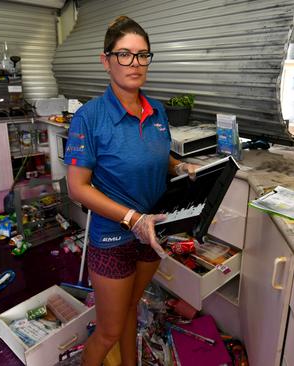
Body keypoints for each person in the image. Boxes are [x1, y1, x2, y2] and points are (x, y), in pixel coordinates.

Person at [64, 15, 198, 366]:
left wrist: (179, 166)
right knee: (108, 330)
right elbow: (77, 188)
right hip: (113, 237)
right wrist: (131, 218)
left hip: (151, 232)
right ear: (105, 60)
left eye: (142, 55)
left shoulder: (157, 111)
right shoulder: (89, 117)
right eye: (124, 54)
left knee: (130, 308)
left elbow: (154, 151)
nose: (134, 63)